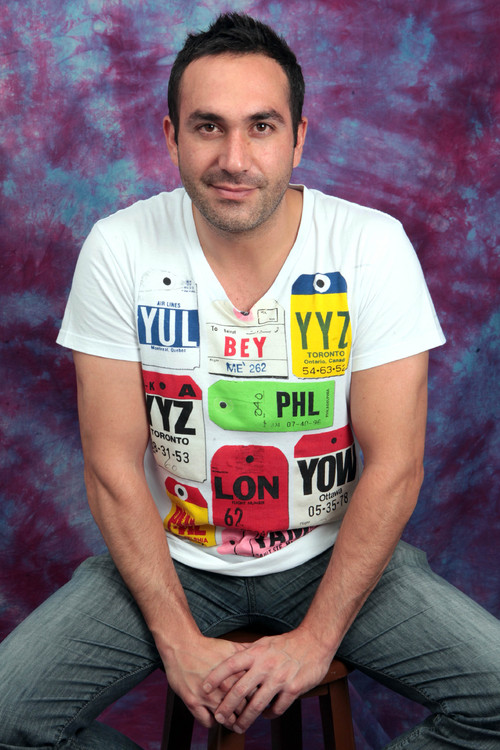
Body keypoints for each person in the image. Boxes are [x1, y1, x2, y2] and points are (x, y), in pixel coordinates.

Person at [0, 12, 499, 749]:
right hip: (176, 557)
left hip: (330, 555)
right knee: (8, 715)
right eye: (208, 127)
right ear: (171, 136)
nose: (234, 158)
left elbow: (396, 466)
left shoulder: (368, 246)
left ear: (298, 138)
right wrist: (176, 639)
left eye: (261, 127)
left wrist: (315, 640)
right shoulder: (120, 247)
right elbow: (111, 465)